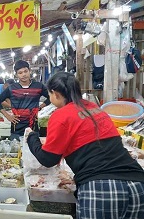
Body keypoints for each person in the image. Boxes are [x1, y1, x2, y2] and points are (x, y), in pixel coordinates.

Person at [27, 72, 144, 219]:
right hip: (138, 185)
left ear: (55, 94)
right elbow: (99, 152)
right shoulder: (95, 108)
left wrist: (31, 138)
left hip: (102, 189)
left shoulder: (61, 115)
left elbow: (48, 159)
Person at [0, 60, 50, 137]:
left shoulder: (39, 86)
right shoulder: (12, 88)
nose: (24, 75)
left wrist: (40, 107)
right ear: (16, 75)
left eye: (25, 71)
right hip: (16, 127)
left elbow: (51, 97)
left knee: (33, 147)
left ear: (29, 71)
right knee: (17, 148)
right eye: (20, 73)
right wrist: (8, 116)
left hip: (33, 127)